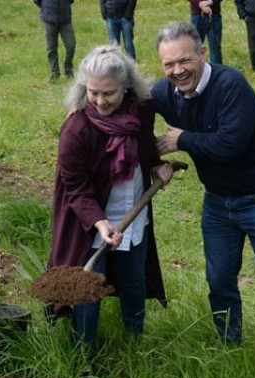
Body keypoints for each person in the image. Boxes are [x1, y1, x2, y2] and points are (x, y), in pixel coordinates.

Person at [152, 21, 255, 353]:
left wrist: (182, 139)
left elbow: (230, 145)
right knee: (219, 280)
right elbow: (133, 111)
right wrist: (153, 162)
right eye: (169, 64)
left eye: (185, 60)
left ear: (202, 53)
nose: (177, 70)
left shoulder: (231, 85)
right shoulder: (164, 93)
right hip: (218, 200)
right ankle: (228, 345)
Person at [48, 45, 172, 357]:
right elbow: (75, 187)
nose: (100, 101)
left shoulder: (141, 109)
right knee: (89, 288)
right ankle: (84, 356)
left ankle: (134, 347)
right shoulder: (76, 129)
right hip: (89, 220)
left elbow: (144, 145)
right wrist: (100, 224)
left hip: (133, 211)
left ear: (126, 88)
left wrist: (156, 165)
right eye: (93, 93)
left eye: (109, 94)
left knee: (133, 280)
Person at [34, 0, 76, 79]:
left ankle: (68, 69)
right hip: (49, 19)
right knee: (51, 48)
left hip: (65, 19)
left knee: (71, 46)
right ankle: (54, 72)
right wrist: (45, 8)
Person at [189, 0, 223, 64]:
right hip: (197, 15)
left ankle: (216, 72)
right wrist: (199, 3)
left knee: (215, 48)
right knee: (194, 46)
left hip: (214, 14)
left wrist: (211, 2)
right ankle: (194, 70)